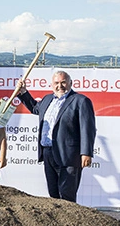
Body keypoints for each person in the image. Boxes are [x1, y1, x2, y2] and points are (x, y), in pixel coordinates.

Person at [17, 71, 96, 203]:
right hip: (48, 153)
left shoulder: (80, 101)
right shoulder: (47, 99)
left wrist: (86, 153)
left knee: (67, 194)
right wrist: (23, 92)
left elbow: (87, 128)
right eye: (56, 83)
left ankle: (70, 222)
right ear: (52, 85)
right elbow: (35, 109)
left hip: (69, 155)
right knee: (53, 194)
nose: (60, 86)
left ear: (70, 83)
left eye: (63, 82)